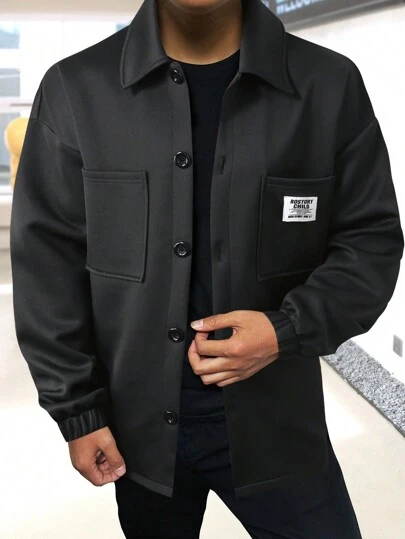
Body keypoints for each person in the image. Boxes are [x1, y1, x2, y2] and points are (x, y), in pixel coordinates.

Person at [10, 0, 404, 537]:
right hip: (138, 431)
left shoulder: (327, 86)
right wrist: (78, 410)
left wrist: (285, 329)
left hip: (279, 426)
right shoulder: (76, 90)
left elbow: (370, 240)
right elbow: (47, 268)